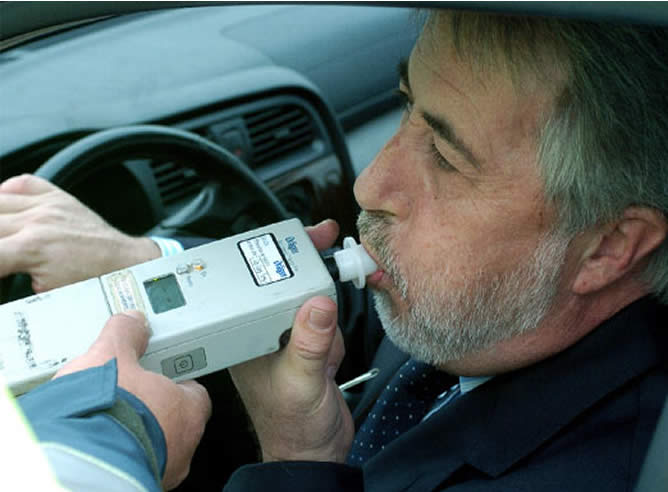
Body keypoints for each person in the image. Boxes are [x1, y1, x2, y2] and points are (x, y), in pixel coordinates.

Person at [1, 9, 667, 492]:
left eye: (445, 155)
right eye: (407, 104)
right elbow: (353, 328)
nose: (370, 182)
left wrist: (295, 461)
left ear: (608, 247)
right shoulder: (488, 297)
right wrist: (146, 263)